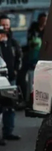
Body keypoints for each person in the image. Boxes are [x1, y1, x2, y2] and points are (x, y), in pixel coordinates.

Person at [0, 16, 22, 144]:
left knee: (10, 106)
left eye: (7, 25)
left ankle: (9, 132)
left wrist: (16, 70)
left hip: (10, 78)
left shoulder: (13, 42)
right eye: (3, 25)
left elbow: (19, 55)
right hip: (0, 78)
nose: (5, 27)